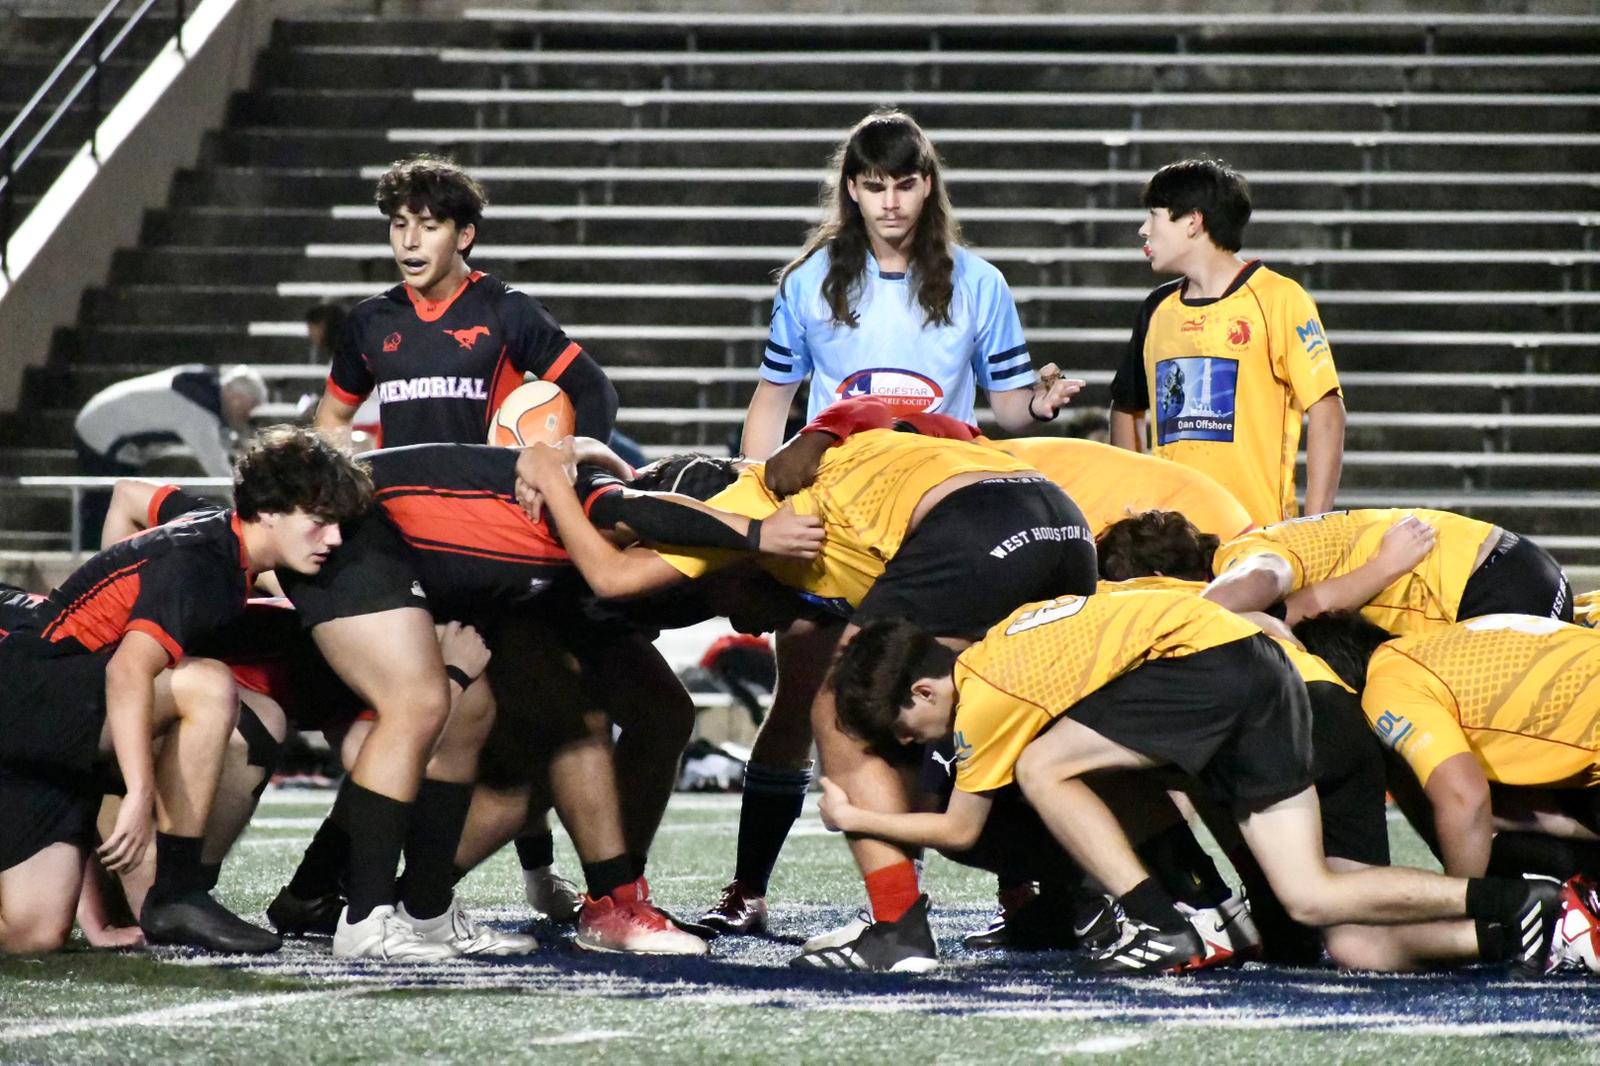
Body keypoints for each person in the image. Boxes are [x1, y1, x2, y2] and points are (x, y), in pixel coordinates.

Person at [516, 428, 1098, 970]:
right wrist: (583, 450)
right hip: (1061, 519)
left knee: (848, 699)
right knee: (1027, 717)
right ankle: (1086, 898)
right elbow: (884, 413)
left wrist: (556, 462)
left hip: (972, 526)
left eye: (716, 600)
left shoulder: (732, 510)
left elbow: (614, 577)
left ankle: (897, 927)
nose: (742, 623)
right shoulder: (817, 475)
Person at [820, 590, 1600, 976]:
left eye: (902, 732)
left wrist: (854, 813)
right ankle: (1523, 906)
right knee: (1314, 899)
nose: (912, 747)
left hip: (1221, 673)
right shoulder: (1017, 637)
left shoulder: (986, 692)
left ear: (923, 693)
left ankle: (1161, 921)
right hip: (1258, 673)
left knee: (1042, 765)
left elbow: (961, 832)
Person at [0, 425, 366, 955]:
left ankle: (165, 893)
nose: (333, 539)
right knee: (208, 685)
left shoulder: (216, 535)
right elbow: (126, 672)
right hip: (33, 697)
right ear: (269, 511)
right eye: (319, 522)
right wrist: (139, 789)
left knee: (33, 934)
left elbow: (129, 497)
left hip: (50, 720)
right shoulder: (201, 563)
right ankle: (177, 892)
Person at [740, 109, 1081, 461]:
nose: (890, 204)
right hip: (838, 484)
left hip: (946, 480)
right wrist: (753, 489)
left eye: (904, 186)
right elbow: (773, 397)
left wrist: (1038, 406)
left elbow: (1008, 407)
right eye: (875, 187)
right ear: (852, 189)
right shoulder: (807, 281)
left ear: (928, 185)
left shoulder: (981, 283)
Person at [313, 155, 617, 450]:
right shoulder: (369, 319)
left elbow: (594, 390)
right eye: (400, 224)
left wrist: (577, 463)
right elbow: (333, 416)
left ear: (464, 236)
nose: (410, 241)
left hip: (484, 499)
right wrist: (344, 490)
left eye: (429, 227)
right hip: (398, 500)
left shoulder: (507, 310)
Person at [1108, 158, 1346, 528]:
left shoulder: (1279, 299)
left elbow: (1327, 410)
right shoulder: (1156, 309)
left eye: (1153, 216)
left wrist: (1313, 524)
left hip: (1258, 536)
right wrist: (1136, 514)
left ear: (1192, 222)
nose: (1143, 230)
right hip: (1176, 542)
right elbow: (1126, 408)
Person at [1296, 611, 1600, 883]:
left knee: (1459, 813)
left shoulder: (1386, 687)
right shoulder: (1429, 645)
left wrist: (1460, 910)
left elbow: (1464, 799)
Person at [1205, 507, 1573, 634]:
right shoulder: (1274, 538)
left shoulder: (1238, 556)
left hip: (1490, 587)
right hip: (1521, 568)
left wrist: (1184, 616)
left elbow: (1265, 578)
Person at [72, 363, 266, 548]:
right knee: (104, 504)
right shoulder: (199, 408)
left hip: (108, 427)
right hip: (100, 431)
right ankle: (91, 553)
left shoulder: (206, 390)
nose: (247, 416)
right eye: (248, 408)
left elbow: (218, 442)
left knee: (118, 503)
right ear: (236, 398)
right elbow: (217, 468)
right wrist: (248, 512)